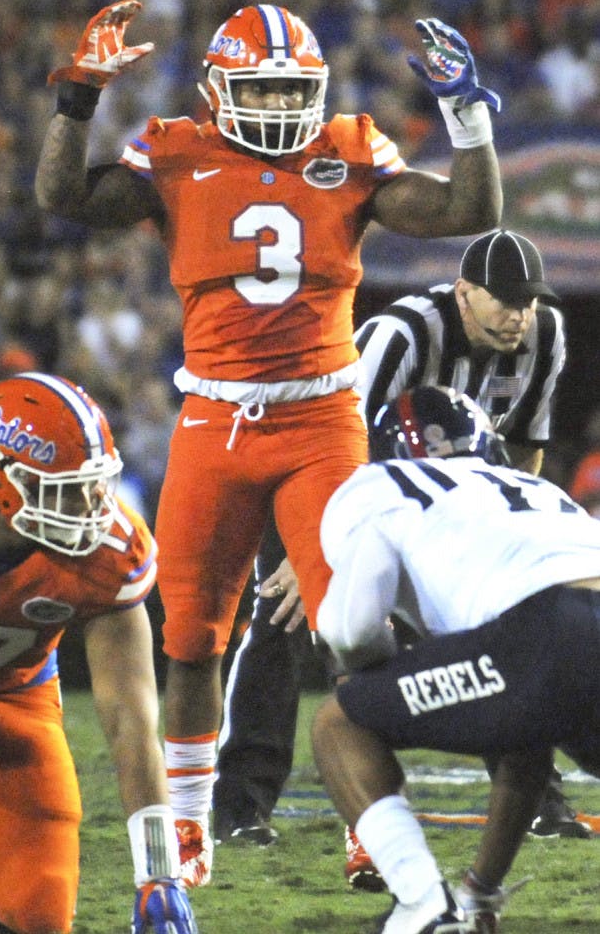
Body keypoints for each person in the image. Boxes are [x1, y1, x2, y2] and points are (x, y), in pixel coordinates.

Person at [35, 0, 503, 886]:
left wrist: (465, 115)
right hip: (214, 417)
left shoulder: (349, 150)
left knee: (351, 627)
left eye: (297, 88)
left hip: (321, 419)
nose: (284, 104)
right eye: (265, 87)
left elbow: (464, 212)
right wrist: (76, 98)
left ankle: (372, 819)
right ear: (217, 89)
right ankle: (184, 824)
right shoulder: (176, 153)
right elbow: (63, 195)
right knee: (191, 637)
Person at [213, 228, 586, 864]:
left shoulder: (543, 335)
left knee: (501, 622)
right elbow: (337, 444)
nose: (519, 314)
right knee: (282, 617)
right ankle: (240, 805)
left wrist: (514, 536)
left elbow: (523, 445)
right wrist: (314, 554)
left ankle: (539, 801)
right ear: (464, 293)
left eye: (528, 300)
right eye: (504, 299)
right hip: (325, 476)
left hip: (442, 504)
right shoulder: (403, 333)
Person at [312, 386, 600, 933]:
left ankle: (423, 907)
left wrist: (379, 669)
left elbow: (349, 629)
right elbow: (524, 733)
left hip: (543, 631)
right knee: (522, 728)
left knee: (339, 721)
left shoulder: (379, 485)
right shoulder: (534, 486)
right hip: (563, 622)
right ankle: (476, 898)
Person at [0, 373, 196, 934]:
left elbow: (131, 718)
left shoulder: (111, 552)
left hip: (0, 693)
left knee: (37, 913)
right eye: (65, 489)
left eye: (93, 485)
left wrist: (159, 875)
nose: (90, 507)